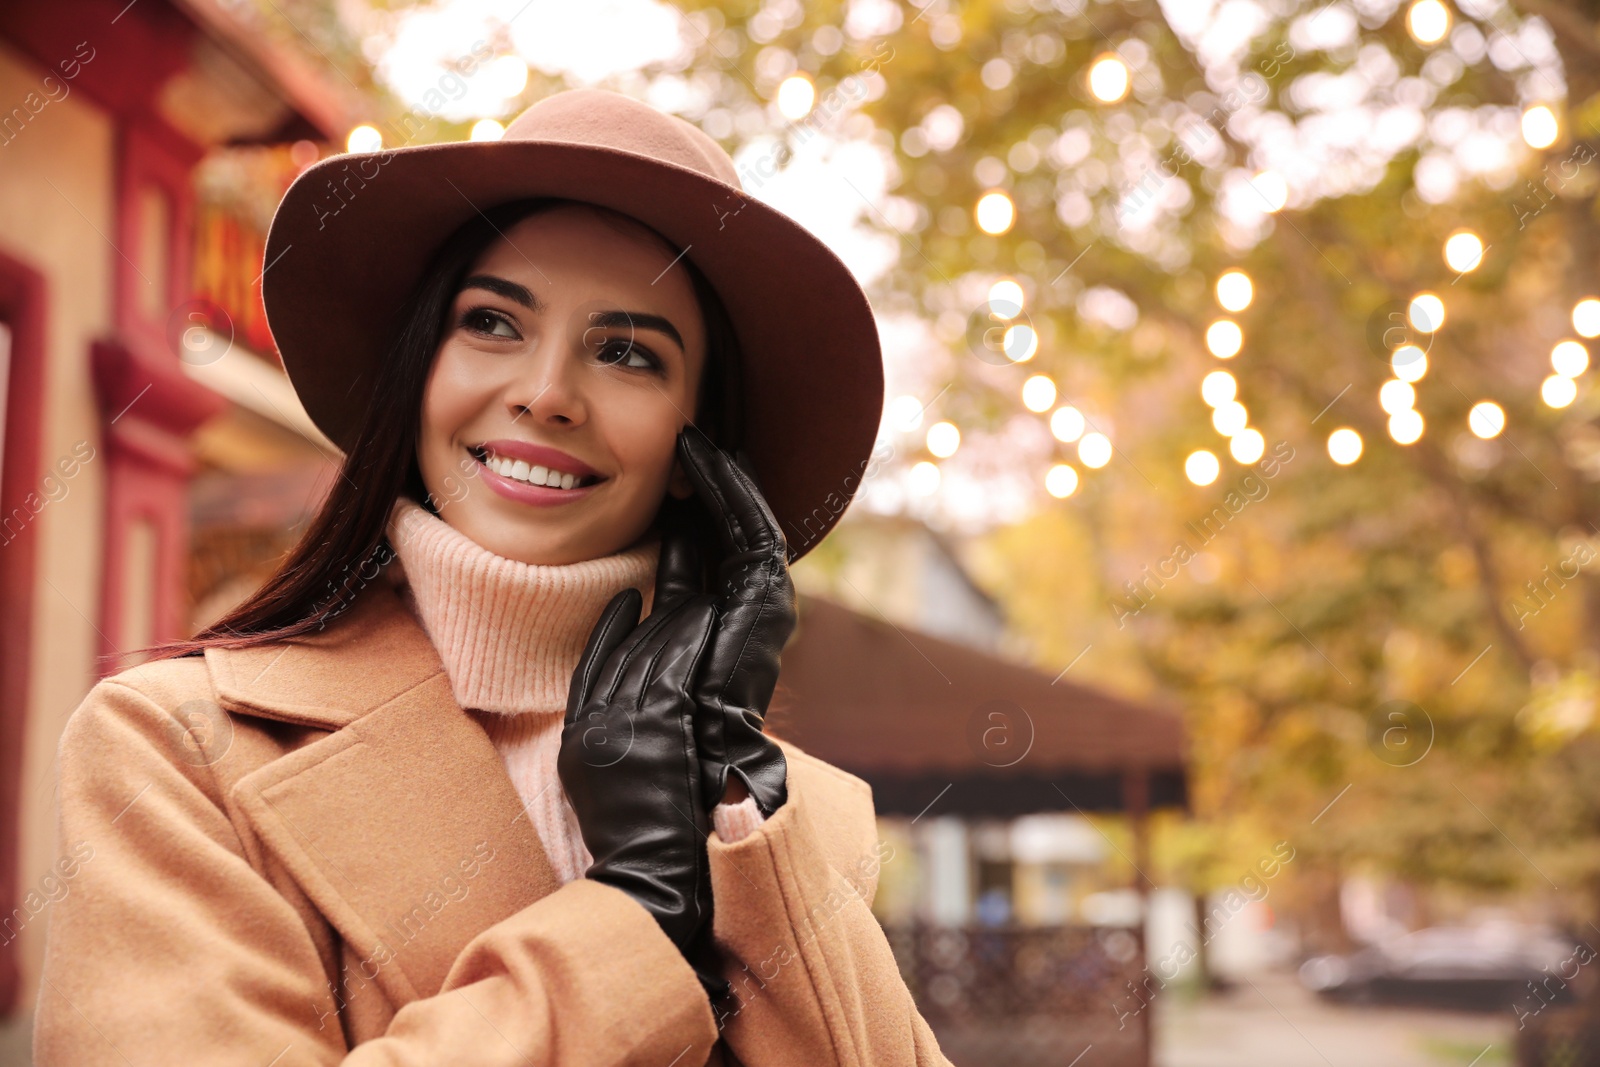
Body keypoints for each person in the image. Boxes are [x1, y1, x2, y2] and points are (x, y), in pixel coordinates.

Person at [32, 88, 952, 1065]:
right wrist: (636, 908)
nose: (547, 392)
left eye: (627, 351)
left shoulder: (777, 818)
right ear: (420, 365)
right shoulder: (181, 750)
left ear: (699, 449)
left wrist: (725, 788)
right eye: (492, 323)